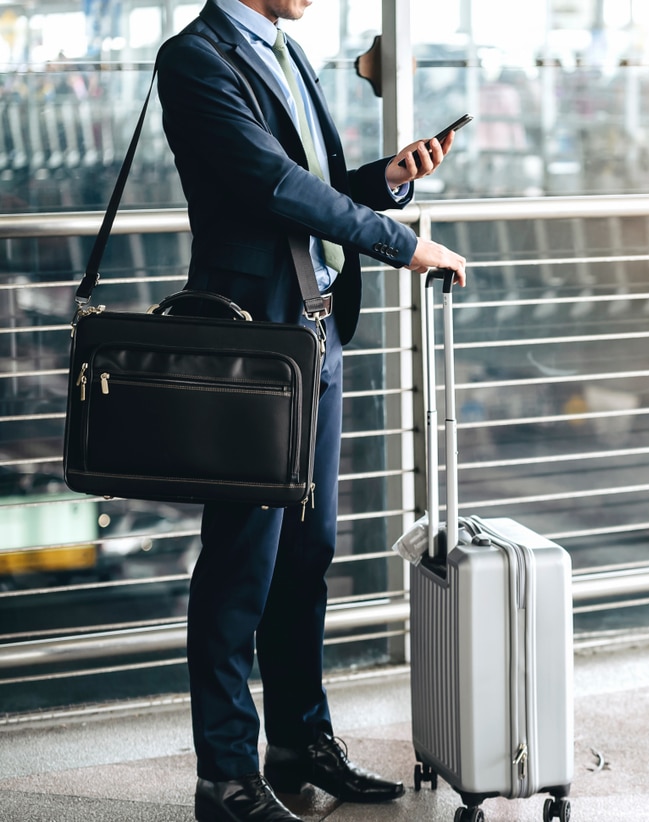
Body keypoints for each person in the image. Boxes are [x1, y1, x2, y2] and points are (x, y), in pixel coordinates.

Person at [155, 1, 468, 820]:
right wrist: (404, 244)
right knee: (240, 563)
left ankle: (297, 743)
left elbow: (318, 193)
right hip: (254, 346)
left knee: (306, 553)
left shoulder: (286, 51)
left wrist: (389, 181)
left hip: (316, 336)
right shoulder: (195, 58)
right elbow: (269, 186)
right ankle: (224, 778)